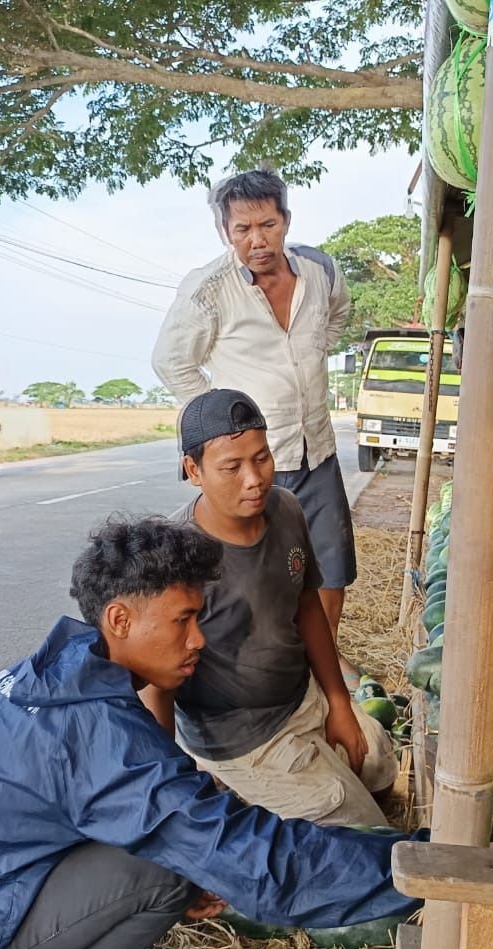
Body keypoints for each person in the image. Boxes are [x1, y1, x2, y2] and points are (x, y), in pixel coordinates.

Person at [0, 517, 493, 949]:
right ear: (119, 621)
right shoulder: (92, 731)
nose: (199, 639)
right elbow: (270, 867)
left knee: (174, 852)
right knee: (166, 872)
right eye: (182, 620)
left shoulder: (45, 676)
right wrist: (463, 865)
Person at [141, 388, 393, 827]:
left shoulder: (286, 508)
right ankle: (234, 790)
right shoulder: (174, 559)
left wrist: (338, 702)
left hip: (302, 699)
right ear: (193, 470)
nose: (254, 479)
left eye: (261, 458)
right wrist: (170, 786)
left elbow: (307, 605)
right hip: (244, 741)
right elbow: (155, 685)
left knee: (379, 766)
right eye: (231, 467)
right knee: (367, 835)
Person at [151, 169, 363, 686]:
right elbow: (171, 362)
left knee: (331, 565)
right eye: (242, 229)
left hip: (316, 448)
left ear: (286, 220)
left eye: (267, 225)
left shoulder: (321, 271)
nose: (257, 240)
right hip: (257, 460)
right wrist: (219, 424)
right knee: (256, 574)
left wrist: (314, 350)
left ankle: (324, 661)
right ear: (224, 231)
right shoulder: (208, 290)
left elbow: (338, 315)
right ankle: (266, 668)